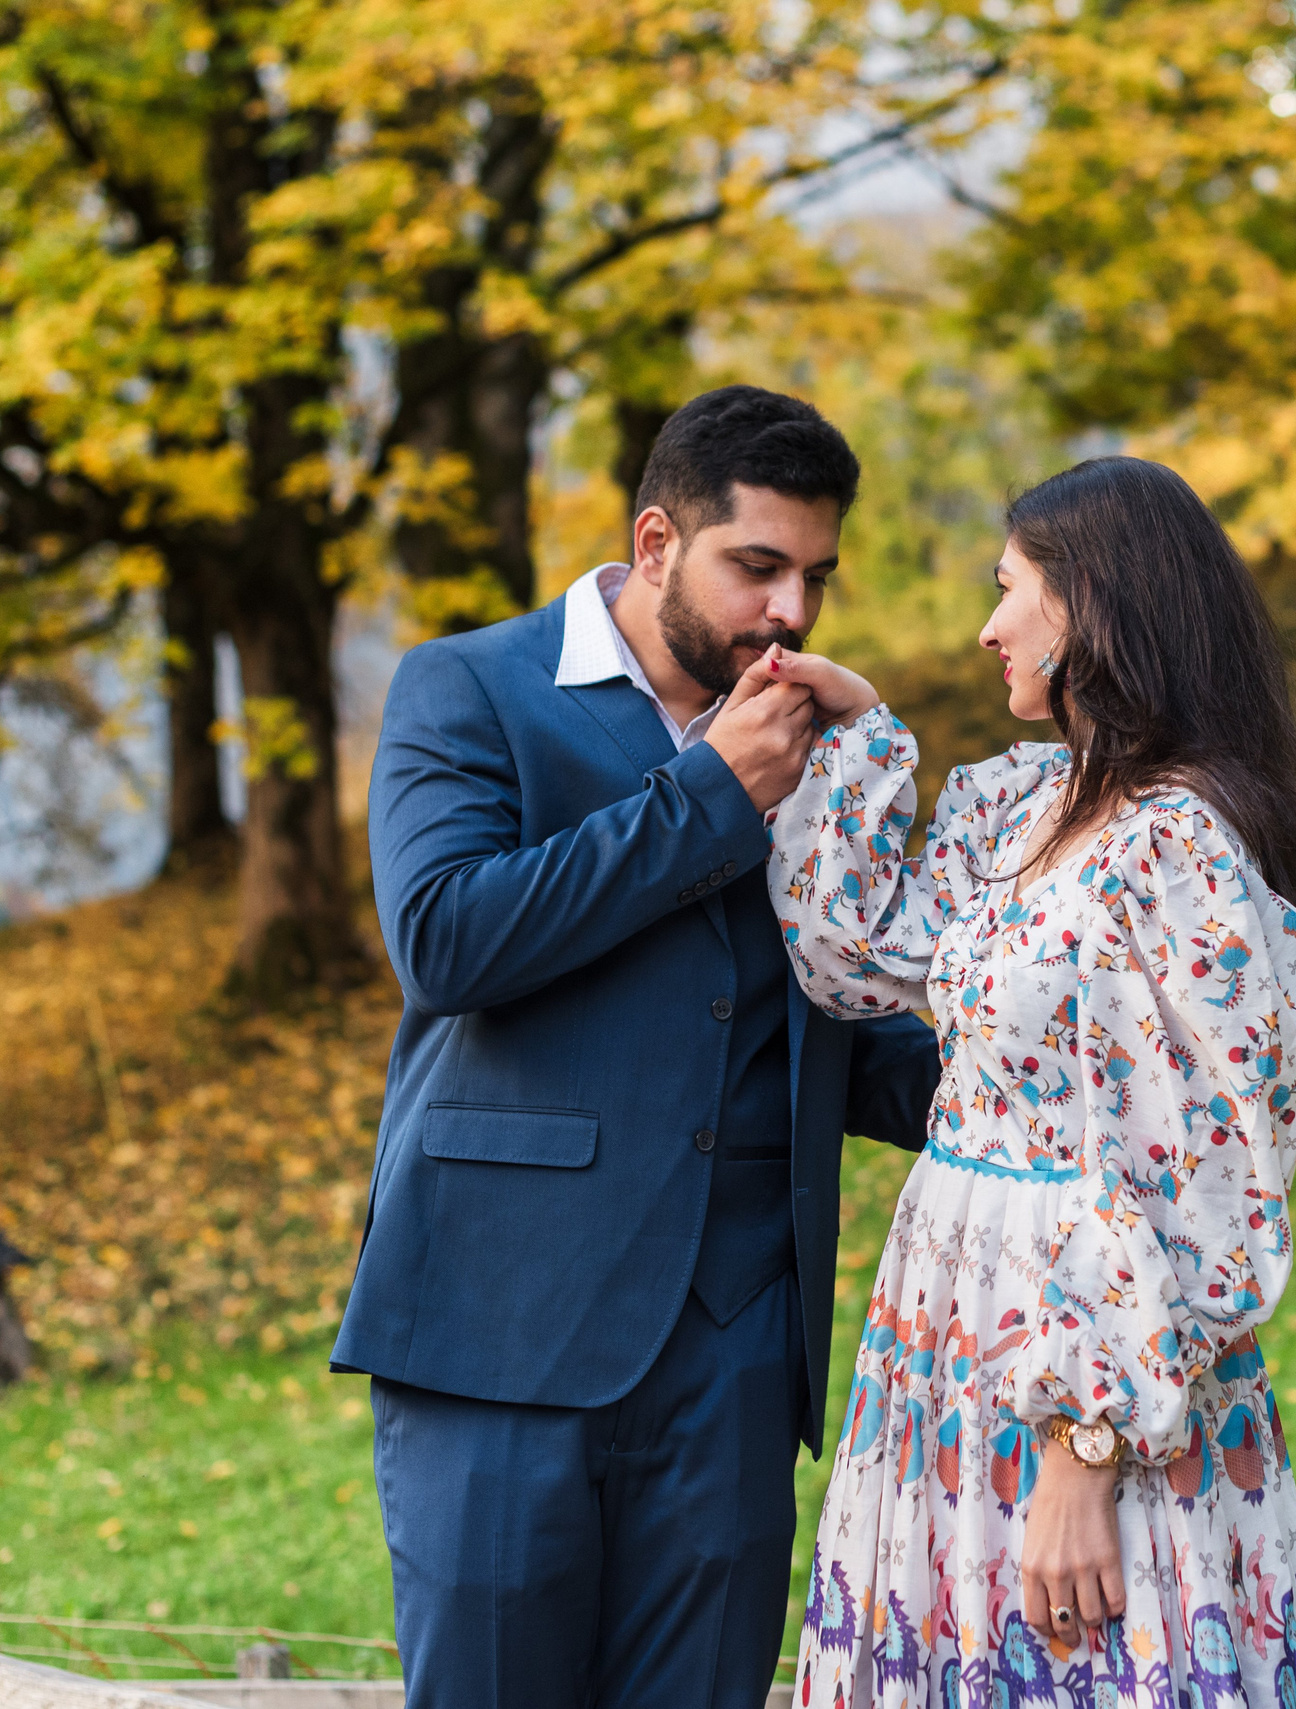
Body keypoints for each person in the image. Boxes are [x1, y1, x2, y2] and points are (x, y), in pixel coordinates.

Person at [330, 386, 944, 1709]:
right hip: (496, 1336)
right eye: (757, 568)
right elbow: (448, 942)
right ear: (657, 542)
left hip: (730, 1354)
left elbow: (842, 1025)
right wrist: (712, 793)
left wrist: (1068, 1071)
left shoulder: (816, 749)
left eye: (815, 578)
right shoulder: (468, 689)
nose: (789, 613)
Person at [757, 455, 1296, 1707]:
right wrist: (857, 734)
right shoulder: (1033, 805)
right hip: (949, 1319)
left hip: (1083, 1360)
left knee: (1091, 1652)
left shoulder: (1178, 848)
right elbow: (854, 955)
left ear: (1095, 606)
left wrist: (1087, 1437)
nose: (987, 624)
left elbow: (1215, 1170)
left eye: (1009, 588)